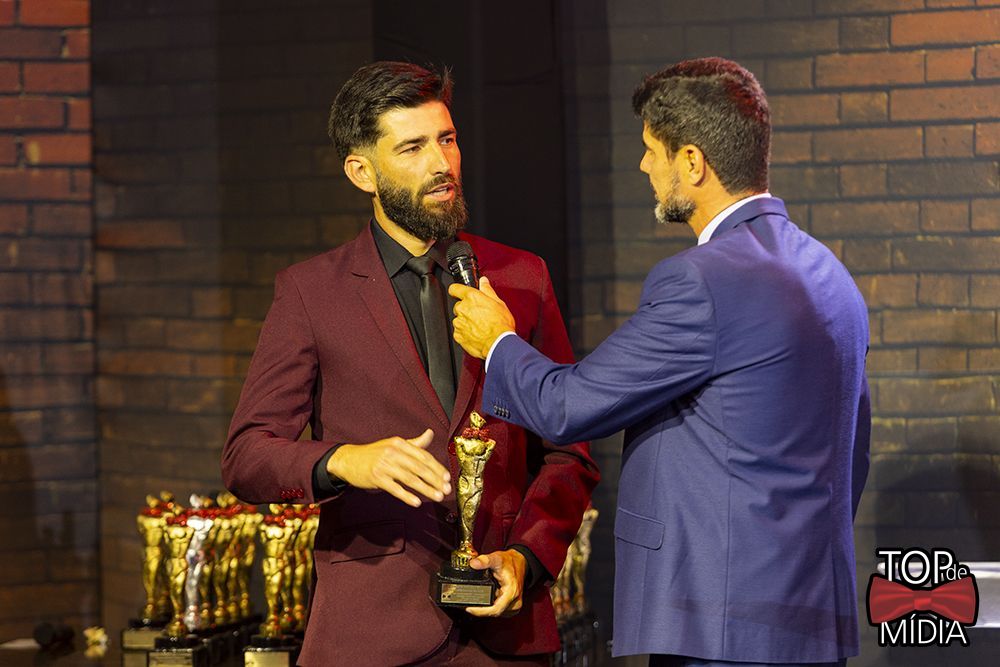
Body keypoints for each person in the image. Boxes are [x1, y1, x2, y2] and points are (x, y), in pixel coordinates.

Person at [450, 58, 870, 667]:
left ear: (692, 162)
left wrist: (498, 343)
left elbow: (569, 407)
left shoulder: (702, 281)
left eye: (652, 151)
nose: (644, 166)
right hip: (809, 621)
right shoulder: (831, 275)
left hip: (719, 625)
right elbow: (852, 453)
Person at [221, 61, 598, 666]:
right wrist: (347, 461)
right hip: (371, 634)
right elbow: (246, 456)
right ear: (362, 172)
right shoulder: (310, 292)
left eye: (447, 139)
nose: (442, 163)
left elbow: (569, 452)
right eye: (413, 147)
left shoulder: (522, 277)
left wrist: (526, 557)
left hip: (505, 633)